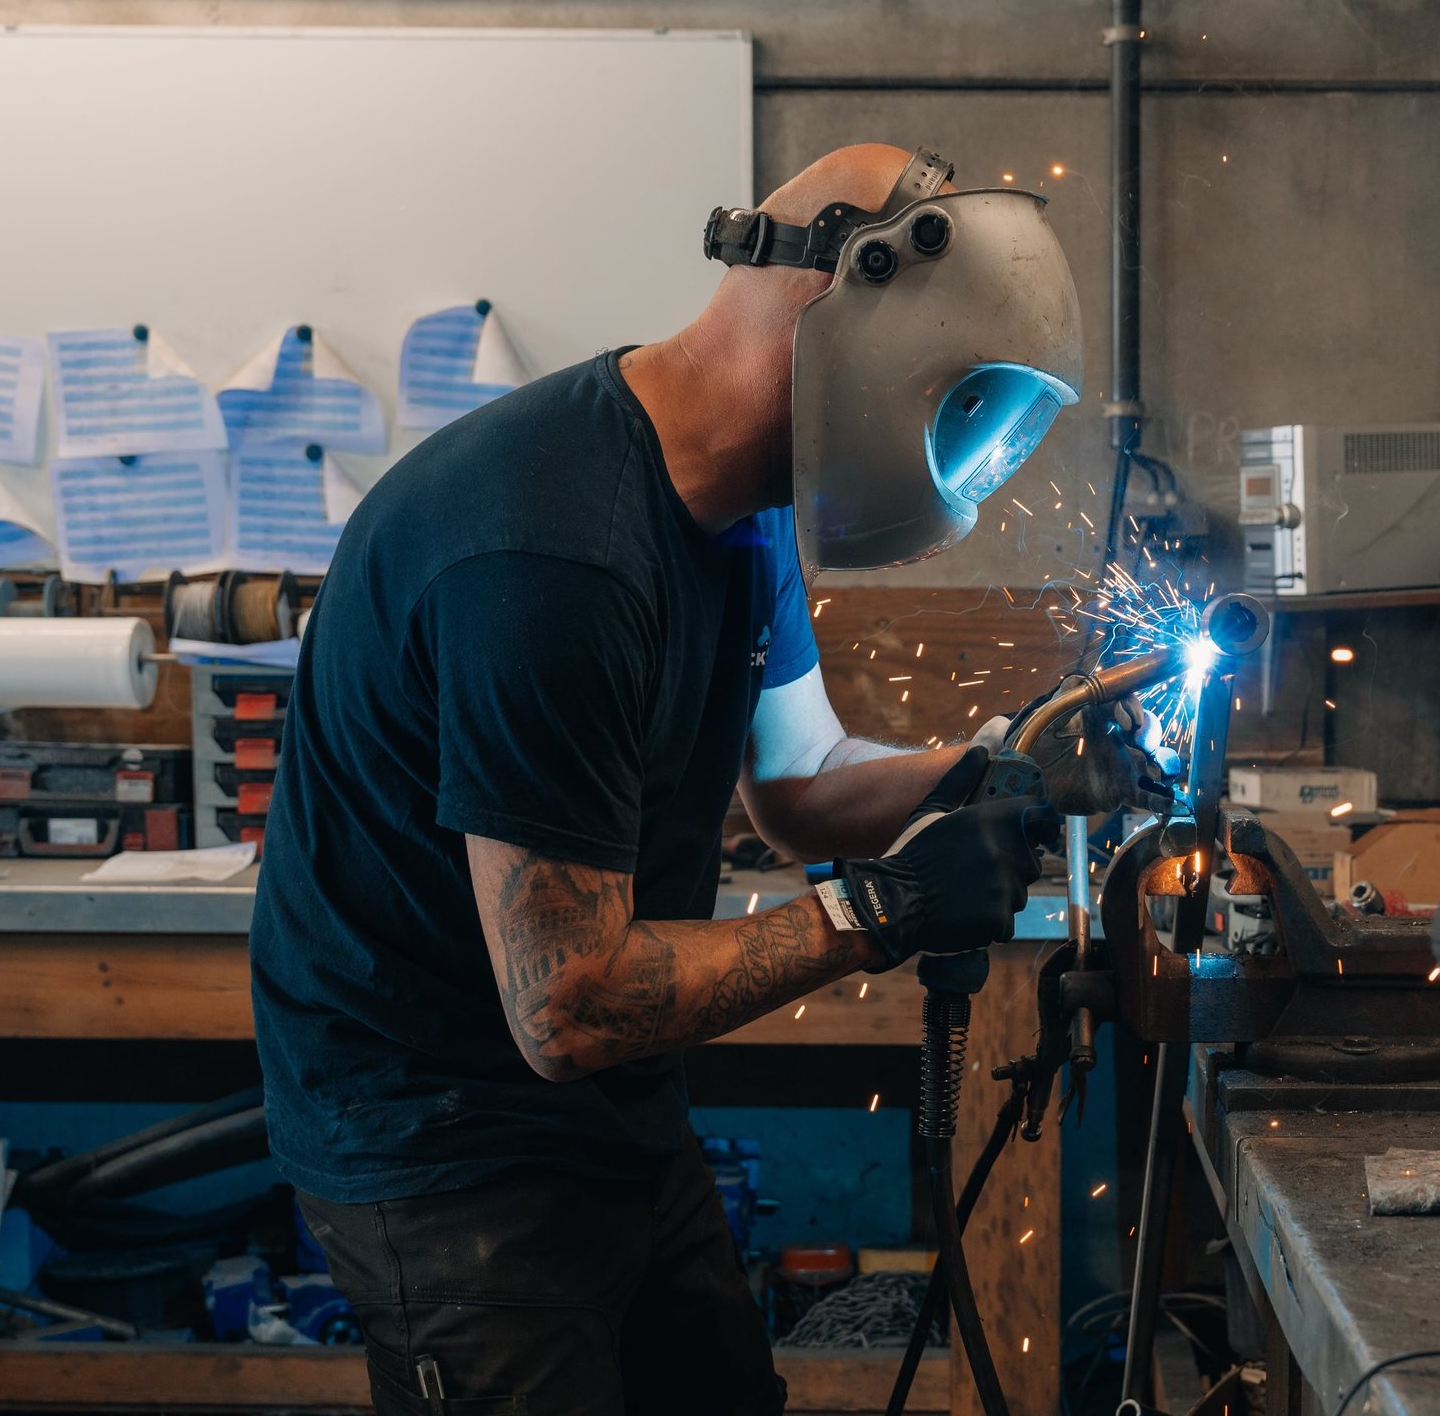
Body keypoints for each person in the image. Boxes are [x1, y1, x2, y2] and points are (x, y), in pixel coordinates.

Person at [250, 144, 1093, 1416]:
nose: (959, 450)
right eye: (957, 407)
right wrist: (878, 910)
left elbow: (800, 777)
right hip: (438, 1139)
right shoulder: (553, 555)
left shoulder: (741, 505)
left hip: (610, 1109)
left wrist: (1007, 765)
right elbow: (570, 1003)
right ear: (844, 312)